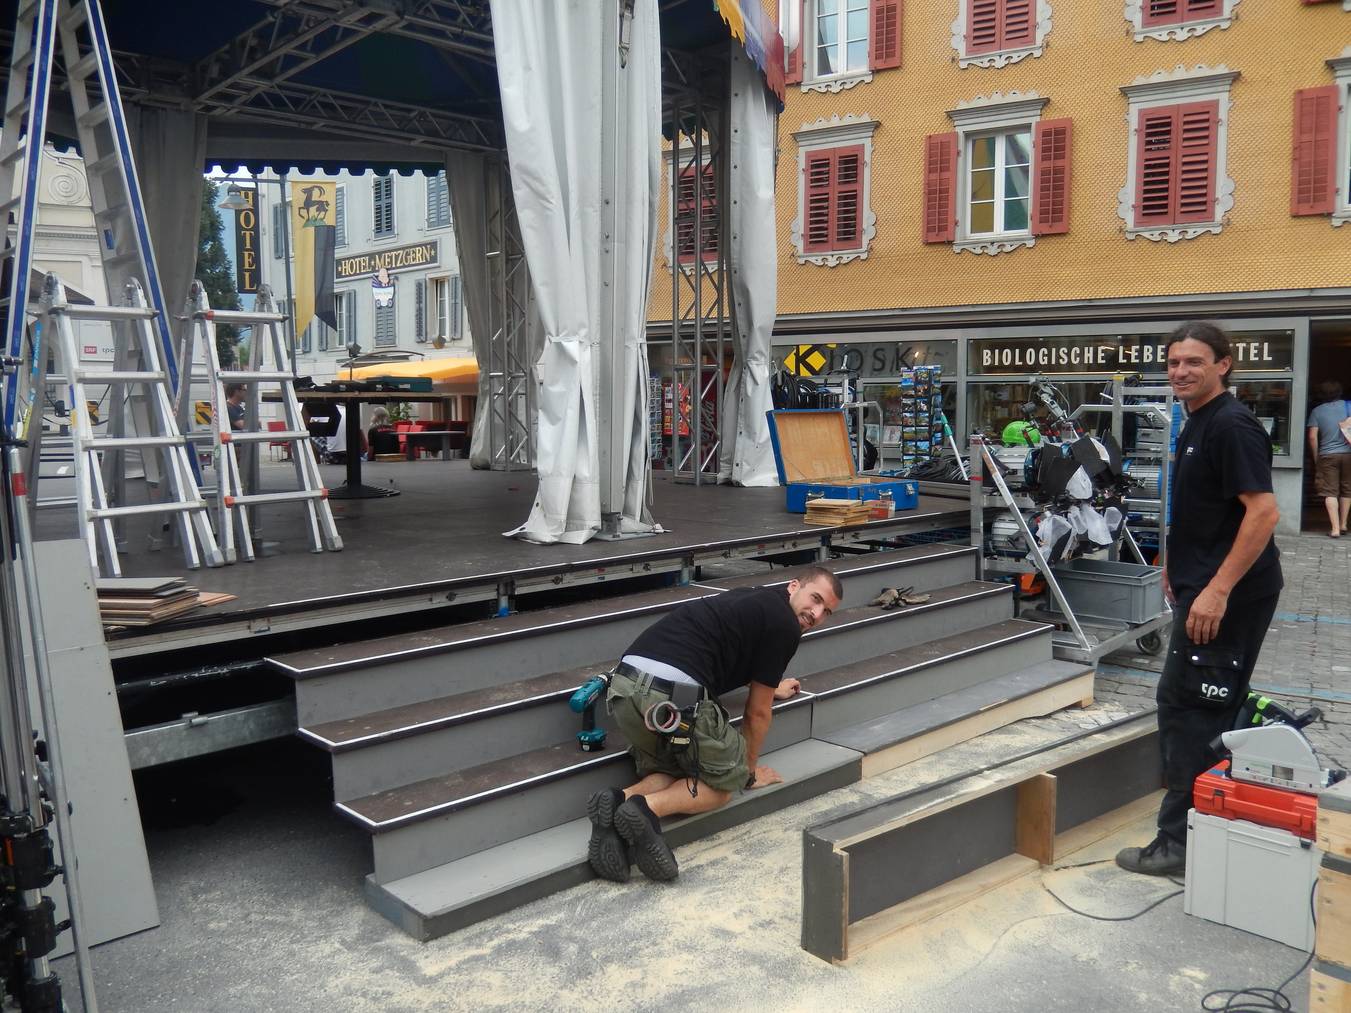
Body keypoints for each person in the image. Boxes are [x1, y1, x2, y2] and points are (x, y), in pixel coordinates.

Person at [1116, 322, 1282, 876]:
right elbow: (1206, 510)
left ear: (1223, 365)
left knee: (1191, 708)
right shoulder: (1197, 420)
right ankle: (1211, 822)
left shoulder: (1230, 425)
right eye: (1173, 363)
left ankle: (1179, 845)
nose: (1181, 372)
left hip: (1228, 598)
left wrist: (1216, 589)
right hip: (1203, 587)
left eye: (1194, 362)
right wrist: (1176, 564)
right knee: (1203, 703)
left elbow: (1263, 513)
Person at [586, 566, 843, 883]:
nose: (816, 614)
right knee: (722, 787)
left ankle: (617, 800)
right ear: (794, 586)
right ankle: (644, 808)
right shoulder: (785, 626)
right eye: (815, 599)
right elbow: (757, 713)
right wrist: (746, 774)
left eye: (826, 611)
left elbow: (731, 648)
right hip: (673, 693)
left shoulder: (754, 600)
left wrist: (771, 685)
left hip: (625, 685)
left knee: (676, 768)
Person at [1307, 380, 1351, 538]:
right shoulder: (1349, 407)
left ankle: (1335, 529)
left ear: (1322, 395)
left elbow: (1312, 437)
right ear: (1340, 392)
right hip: (1349, 454)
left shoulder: (1317, 411)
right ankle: (1344, 524)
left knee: (1330, 492)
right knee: (1347, 489)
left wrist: (1316, 457)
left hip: (1327, 455)